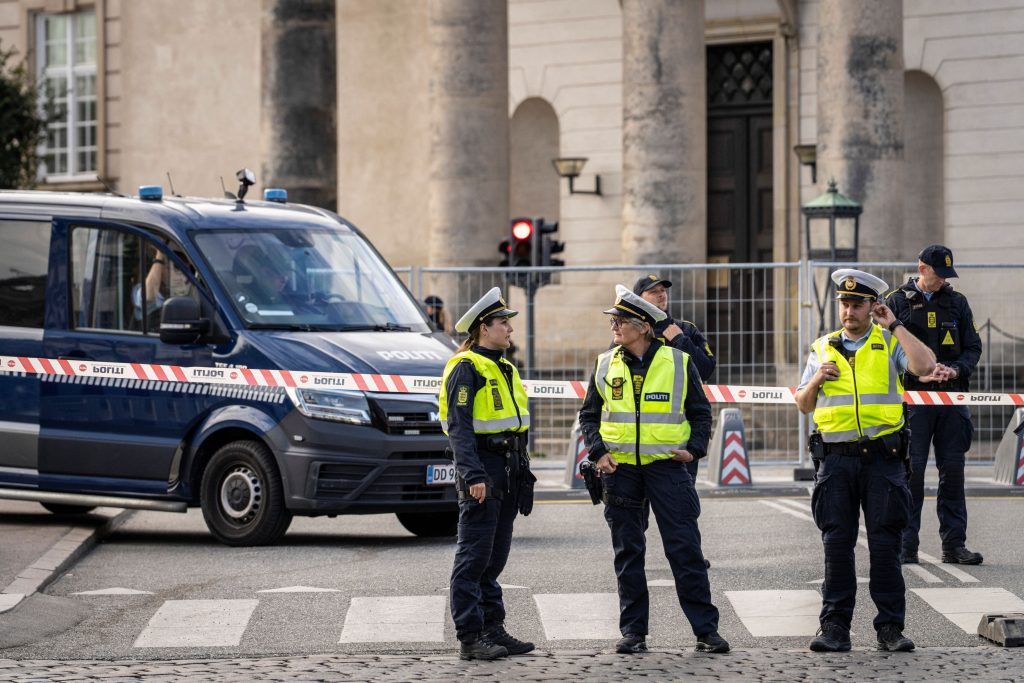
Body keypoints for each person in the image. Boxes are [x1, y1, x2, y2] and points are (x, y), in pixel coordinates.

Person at [578, 284, 729, 655]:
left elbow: (699, 412)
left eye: (622, 320)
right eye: (613, 320)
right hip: (621, 471)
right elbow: (588, 416)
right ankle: (633, 632)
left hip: (667, 470)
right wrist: (598, 453)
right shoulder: (604, 363)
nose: (614, 326)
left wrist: (694, 450)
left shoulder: (678, 362)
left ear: (644, 326)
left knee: (685, 550)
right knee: (628, 552)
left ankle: (706, 631)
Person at [795, 269, 936, 653]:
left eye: (857, 304)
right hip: (836, 461)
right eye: (844, 303)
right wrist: (815, 382)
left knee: (885, 546)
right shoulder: (821, 347)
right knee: (836, 546)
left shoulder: (887, 343)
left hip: (883, 461)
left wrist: (896, 327)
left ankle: (890, 628)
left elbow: (924, 367)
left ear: (873, 306)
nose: (849, 311)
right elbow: (803, 404)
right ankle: (834, 627)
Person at [439, 287, 535, 661]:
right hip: (483, 467)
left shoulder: (505, 367)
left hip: (508, 469)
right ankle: (470, 636)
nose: (509, 329)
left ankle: (493, 628)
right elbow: (459, 428)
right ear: (484, 328)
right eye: (503, 323)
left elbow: (515, 425)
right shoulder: (466, 367)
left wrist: (522, 469)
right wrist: (473, 475)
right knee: (474, 556)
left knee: (494, 556)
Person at [884, 245, 983, 566]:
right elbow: (885, 352)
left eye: (946, 276)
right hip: (914, 400)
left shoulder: (957, 302)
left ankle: (954, 545)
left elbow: (972, 347)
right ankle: (905, 546)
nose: (942, 280)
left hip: (952, 398)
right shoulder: (897, 302)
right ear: (922, 268)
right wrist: (916, 373)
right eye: (938, 274)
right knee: (910, 474)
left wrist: (955, 369)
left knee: (952, 473)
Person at [632, 274, 716, 482]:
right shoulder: (630, 332)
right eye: (654, 292)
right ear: (639, 299)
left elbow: (705, 370)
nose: (661, 295)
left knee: (680, 510)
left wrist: (679, 339)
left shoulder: (686, 329)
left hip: (678, 439)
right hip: (636, 442)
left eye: (663, 291)